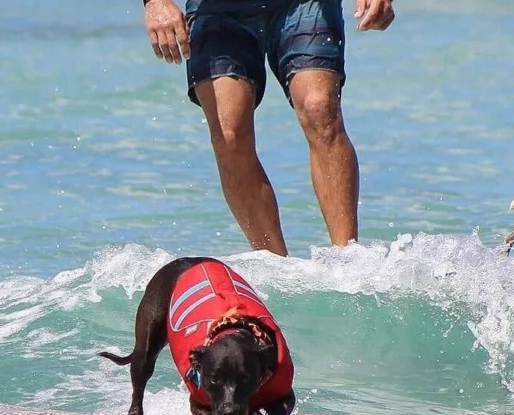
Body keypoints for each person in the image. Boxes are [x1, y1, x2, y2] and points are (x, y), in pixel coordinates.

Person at [142, 0, 395, 256]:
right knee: (229, 133)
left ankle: (347, 260)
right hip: (217, 9)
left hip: (306, 4)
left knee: (319, 109)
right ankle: (276, 264)